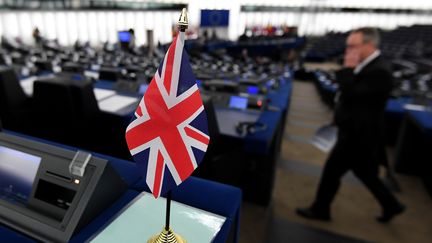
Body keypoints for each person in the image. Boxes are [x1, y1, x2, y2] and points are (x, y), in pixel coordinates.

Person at [296, 27, 405, 223]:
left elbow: (352, 95)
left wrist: (348, 67)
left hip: (359, 136)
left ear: (369, 45)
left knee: (332, 172)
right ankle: (391, 205)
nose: (348, 51)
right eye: (347, 47)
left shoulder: (379, 71)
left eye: (353, 46)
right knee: (366, 175)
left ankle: (321, 210)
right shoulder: (368, 65)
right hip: (354, 132)